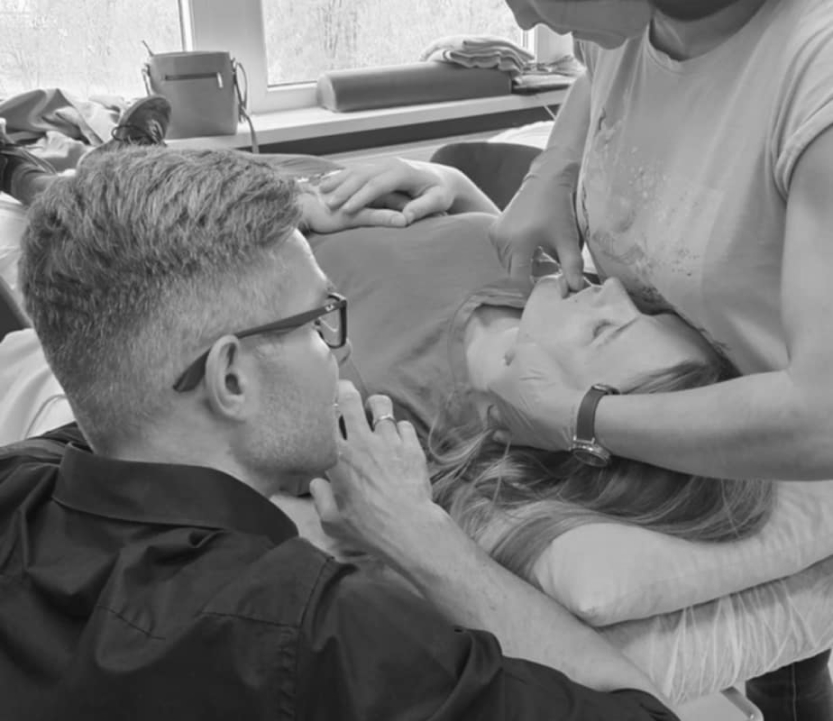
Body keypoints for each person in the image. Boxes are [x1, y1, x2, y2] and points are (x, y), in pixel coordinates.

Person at [0, 145, 681, 720]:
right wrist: (418, 534)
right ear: (231, 378)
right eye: (318, 321)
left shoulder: (19, 483)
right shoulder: (316, 631)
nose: (339, 348)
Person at [471, 0, 833, 719]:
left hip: (772, 434)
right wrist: (553, 168)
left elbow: (821, 419)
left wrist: (580, 416)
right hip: (677, 410)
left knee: (790, 679)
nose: (522, 13)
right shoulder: (633, 26)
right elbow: (600, 69)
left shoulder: (810, 71)